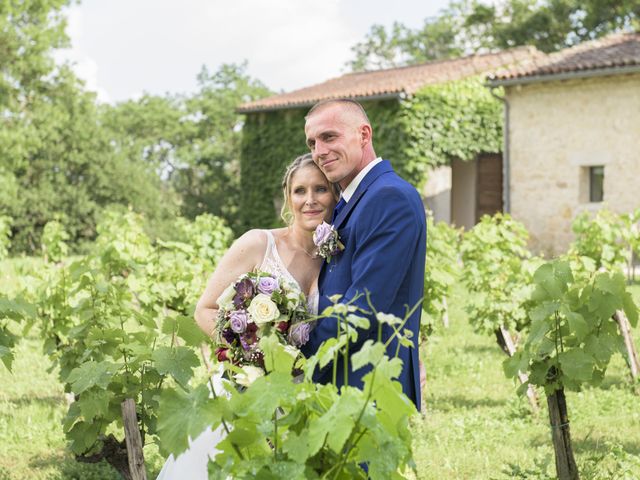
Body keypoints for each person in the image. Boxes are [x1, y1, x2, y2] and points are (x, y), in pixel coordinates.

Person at [156, 153, 337, 480]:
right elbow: (205, 309)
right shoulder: (259, 244)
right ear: (288, 197)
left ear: (335, 195)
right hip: (242, 391)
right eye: (300, 191)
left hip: (297, 400)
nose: (309, 200)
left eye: (320, 189)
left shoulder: (335, 258)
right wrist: (248, 358)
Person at [300, 98, 426, 411]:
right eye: (312, 143)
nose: (319, 151)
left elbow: (362, 308)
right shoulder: (353, 199)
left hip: (367, 383)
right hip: (344, 376)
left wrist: (300, 362)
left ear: (364, 135)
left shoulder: (388, 197)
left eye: (330, 137)